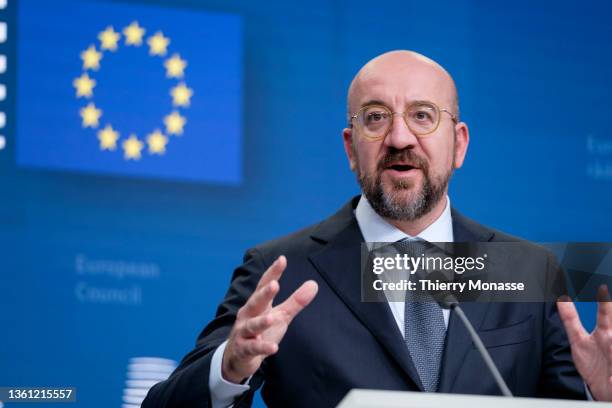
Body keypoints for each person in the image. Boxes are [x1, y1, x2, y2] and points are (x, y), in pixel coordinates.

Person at [142, 50, 612, 407]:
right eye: (375, 118)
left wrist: (603, 397)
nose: (400, 138)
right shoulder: (280, 270)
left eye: (423, 116)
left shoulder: (528, 270)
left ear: (459, 144)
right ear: (351, 148)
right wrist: (230, 366)